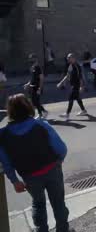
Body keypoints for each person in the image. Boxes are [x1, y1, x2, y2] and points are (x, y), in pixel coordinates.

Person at [0, 94, 70, 232]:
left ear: (10, 111)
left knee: (38, 204)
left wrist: (15, 181)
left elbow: (6, 162)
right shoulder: (40, 124)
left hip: (29, 176)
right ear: (29, 107)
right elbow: (61, 148)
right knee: (58, 202)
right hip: (52, 170)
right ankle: (63, 229)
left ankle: (41, 229)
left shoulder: (3, 134)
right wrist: (58, 161)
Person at [57, 53, 87, 121]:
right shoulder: (70, 66)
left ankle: (67, 114)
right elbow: (67, 75)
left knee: (71, 98)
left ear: (73, 58)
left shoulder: (77, 66)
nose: (68, 59)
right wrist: (61, 83)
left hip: (76, 85)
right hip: (72, 85)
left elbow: (80, 77)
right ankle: (84, 110)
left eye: (69, 58)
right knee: (77, 98)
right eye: (67, 58)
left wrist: (81, 86)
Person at [24, 54, 48, 119]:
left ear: (35, 59)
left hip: (37, 87)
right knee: (34, 101)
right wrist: (27, 84)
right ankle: (43, 112)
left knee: (35, 101)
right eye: (29, 59)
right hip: (32, 87)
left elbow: (41, 78)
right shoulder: (33, 67)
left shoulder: (38, 68)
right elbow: (32, 78)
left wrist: (40, 88)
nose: (30, 60)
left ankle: (41, 114)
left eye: (31, 59)